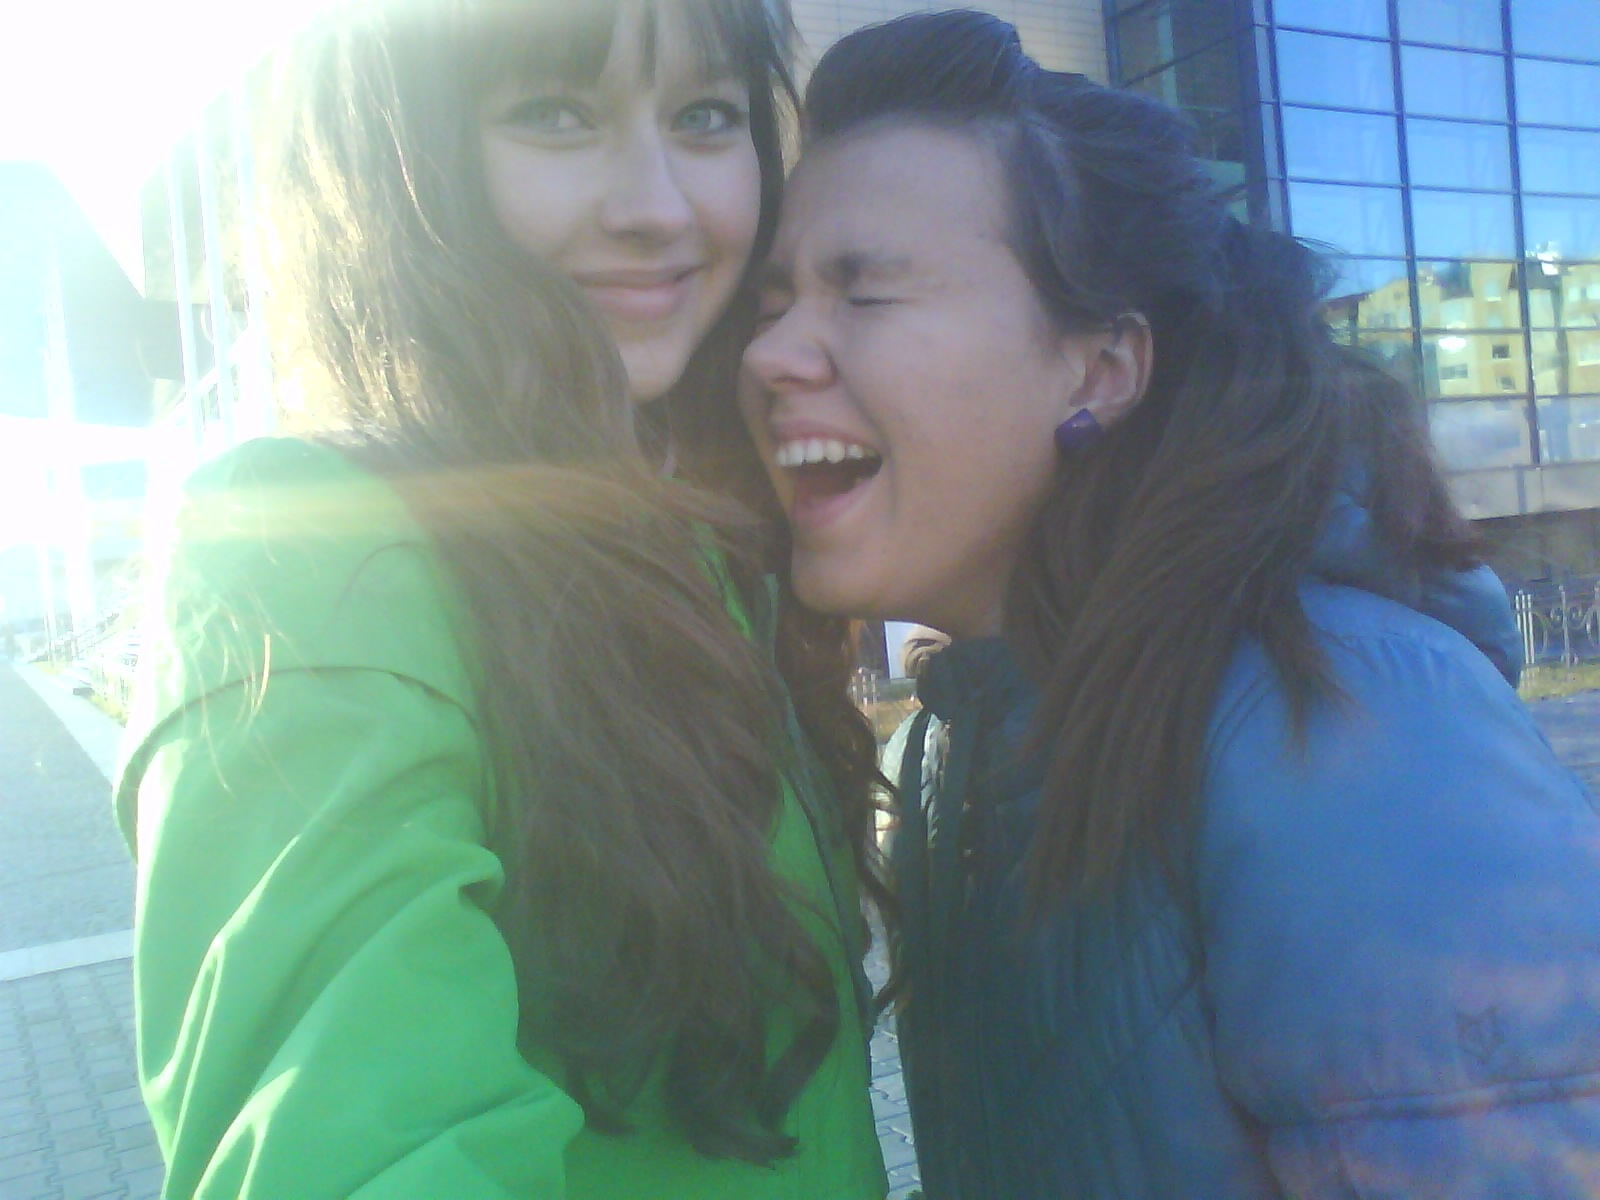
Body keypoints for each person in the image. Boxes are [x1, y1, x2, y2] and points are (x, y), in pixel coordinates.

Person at [740, 11, 1600, 1197]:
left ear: (1100, 368)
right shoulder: (953, 747)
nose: (771, 355)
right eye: (772, 304)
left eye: (866, 292)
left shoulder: (1348, 731)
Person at [114, 1, 887, 1196]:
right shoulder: (308, 540)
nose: (657, 206)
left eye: (703, 116)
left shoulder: (703, 531)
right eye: (555, 114)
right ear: (399, 159)